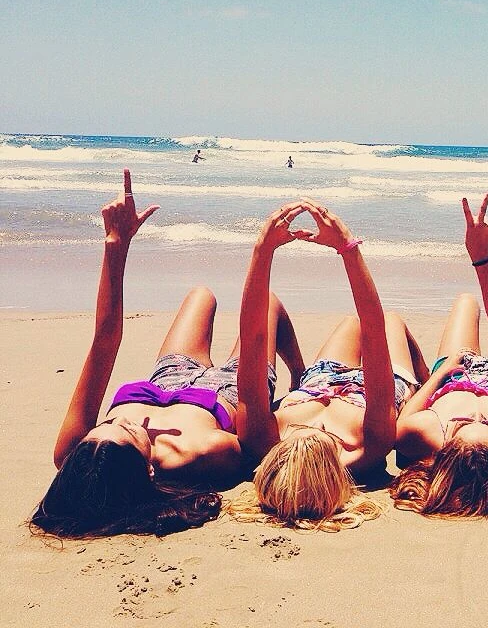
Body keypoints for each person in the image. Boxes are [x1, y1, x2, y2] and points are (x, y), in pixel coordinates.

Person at [30, 171, 303, 539]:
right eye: (126, 432)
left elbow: (104, 342)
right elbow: (255, 431)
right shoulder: (197, 452)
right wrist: (263, 252)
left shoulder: (77, 454)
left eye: (107, 423)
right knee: (267, 305)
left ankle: (297, 371)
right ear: (146, 470)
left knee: (200, 296)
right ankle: (299, 373)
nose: (123, 422)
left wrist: (116, 245)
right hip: (225, 392)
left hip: (167, 378)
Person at [231, 198, 425, 530]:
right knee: (391, 323)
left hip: (321, 380)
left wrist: (263, 250)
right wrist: (348, 249)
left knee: (350, 324)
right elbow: (374, 333)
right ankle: (425, 381)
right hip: (378, 388)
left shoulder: (261, 437)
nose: (317, 429)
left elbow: (253, 338)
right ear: (332, 472)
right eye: (324, 442)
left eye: (298, 435)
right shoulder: (368, 447)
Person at [390, 194, 488, 517]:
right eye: (487, 423)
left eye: (462, 424)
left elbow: (406, 415)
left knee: (465, 302)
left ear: (443, 451)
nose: (476, 415)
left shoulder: (421, 435)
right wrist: (482, 259)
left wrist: (440, 374)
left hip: (453, 376)